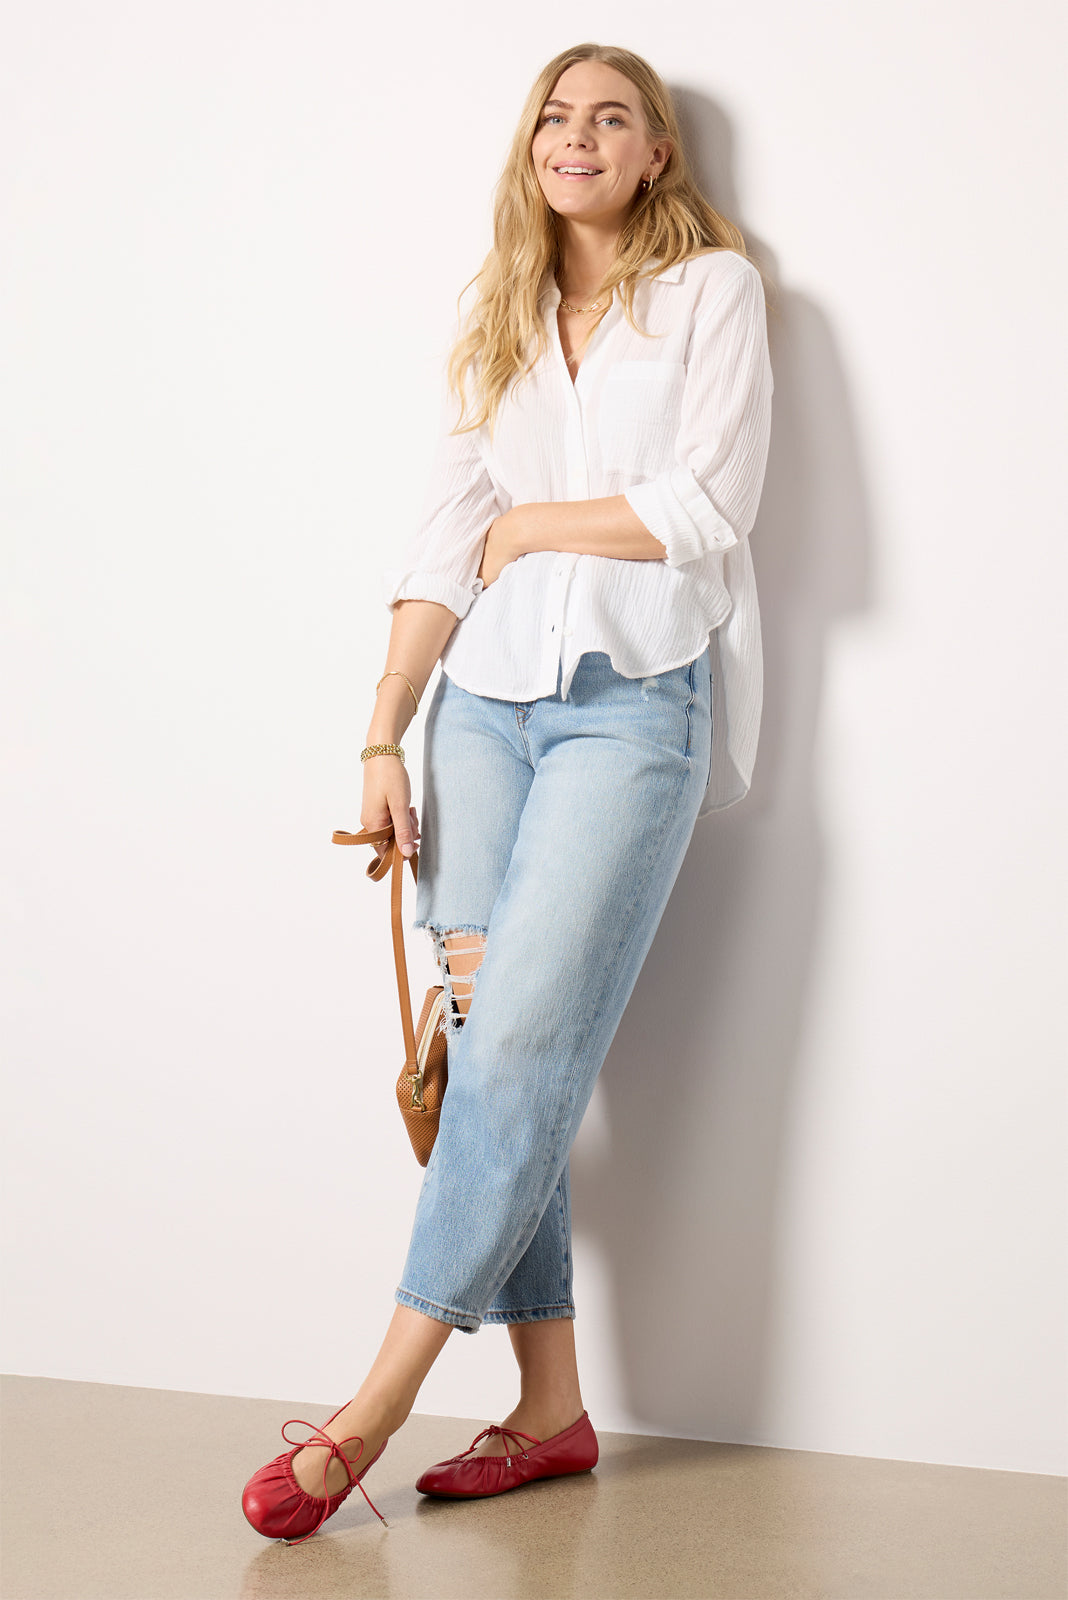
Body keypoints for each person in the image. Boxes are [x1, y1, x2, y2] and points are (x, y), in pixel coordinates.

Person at [242, 40, 774, 1544]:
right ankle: (549, 1412)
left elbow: (710, 506)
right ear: (530, 146)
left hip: (632, 705)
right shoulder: (497, 310)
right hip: (477, 715)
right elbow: (441, 541)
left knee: (523, 1046)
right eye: (555, 114)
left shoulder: (712, 293)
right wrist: (382, 734)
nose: (576, 135)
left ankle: (372, 1406)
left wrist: (532, 526)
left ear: (657, 152)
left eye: (612, 117)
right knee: (491, 1049)